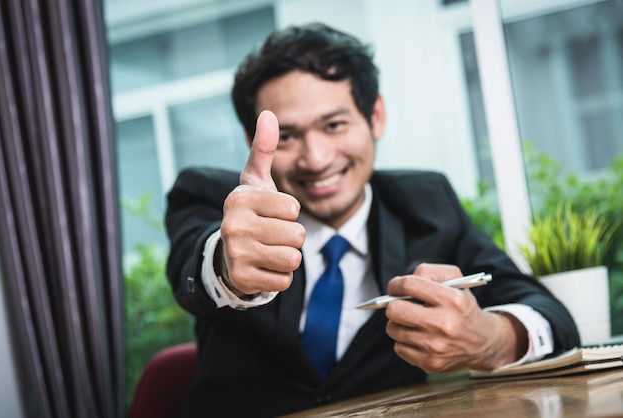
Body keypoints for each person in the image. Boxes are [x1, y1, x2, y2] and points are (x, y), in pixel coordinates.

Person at [165, 23, 579, 417]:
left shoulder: (427, 204)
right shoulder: (216, 198)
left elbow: (551, 316)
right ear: (252, 140)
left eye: (334, 124)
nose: (317, 158)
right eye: (287, 136)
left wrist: (493, 340)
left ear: (375, 116)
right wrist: (227, 264)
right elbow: (194, 268)